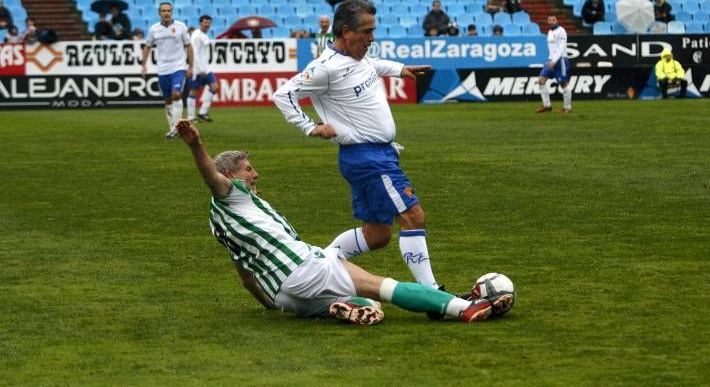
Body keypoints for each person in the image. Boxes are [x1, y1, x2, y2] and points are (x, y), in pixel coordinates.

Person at [173, 120, 512, 323]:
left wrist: (272, 307)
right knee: (387, 287)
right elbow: (211, 177)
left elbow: (246, 276)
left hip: (285, 295)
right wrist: (196, 145)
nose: (256, 172)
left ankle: (346, 307)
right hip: (306, 267)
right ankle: (463, 308)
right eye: (249, 169)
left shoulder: (217, 222)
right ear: (230, 174)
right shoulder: (231, 194)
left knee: (367, 303)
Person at [273, 0, 443, 292]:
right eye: (366, 31)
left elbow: (371, 65)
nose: (372, 38)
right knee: (413, 216)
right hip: (368, 158)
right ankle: (433, 294)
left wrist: (399, 69)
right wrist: (310, 126)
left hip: (374, 156)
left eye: (373, 30)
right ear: (345, 31)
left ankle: (317, 268)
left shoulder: (358, 56)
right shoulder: (325, 68)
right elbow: (283, 94)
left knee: (377, 236)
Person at [141, 2, 193, 139]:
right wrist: (143, 65)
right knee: (168, 100)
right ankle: (172, 128)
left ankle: (177, 128)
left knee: (176, 94)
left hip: (178, 67)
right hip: (163, 69)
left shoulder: (181, 27)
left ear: (172, 12)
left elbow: (189, 46)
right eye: (164, 11)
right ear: (159, 13)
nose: (167, 13)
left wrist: (191, 66)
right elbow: (147, 46)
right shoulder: (154, 29)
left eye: (169, 10)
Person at [536, 15, 572, 114]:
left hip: (560, 60)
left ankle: (567, 108)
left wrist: (554, 60)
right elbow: (552, 49)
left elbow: (561, 48)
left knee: (563, 84)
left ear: (557, 20)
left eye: (553, 20)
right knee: (541, 80)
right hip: (551, 60)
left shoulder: (561, 31)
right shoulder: (550, 32)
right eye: (550, 20)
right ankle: (547, 105)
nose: (552, 21)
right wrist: (550, 59)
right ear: (547, 21)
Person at [187, 15, 218, 123]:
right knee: (193, 91)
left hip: (206, 68)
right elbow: (194, 53)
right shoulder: (196, 35)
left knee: (214, 87)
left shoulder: (204, 35)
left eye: (209, 23)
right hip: (198, 69)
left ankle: (202, 112)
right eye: (205, 22)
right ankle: (191, 117)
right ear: (200, 23)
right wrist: (200, 69)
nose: (207, 25)